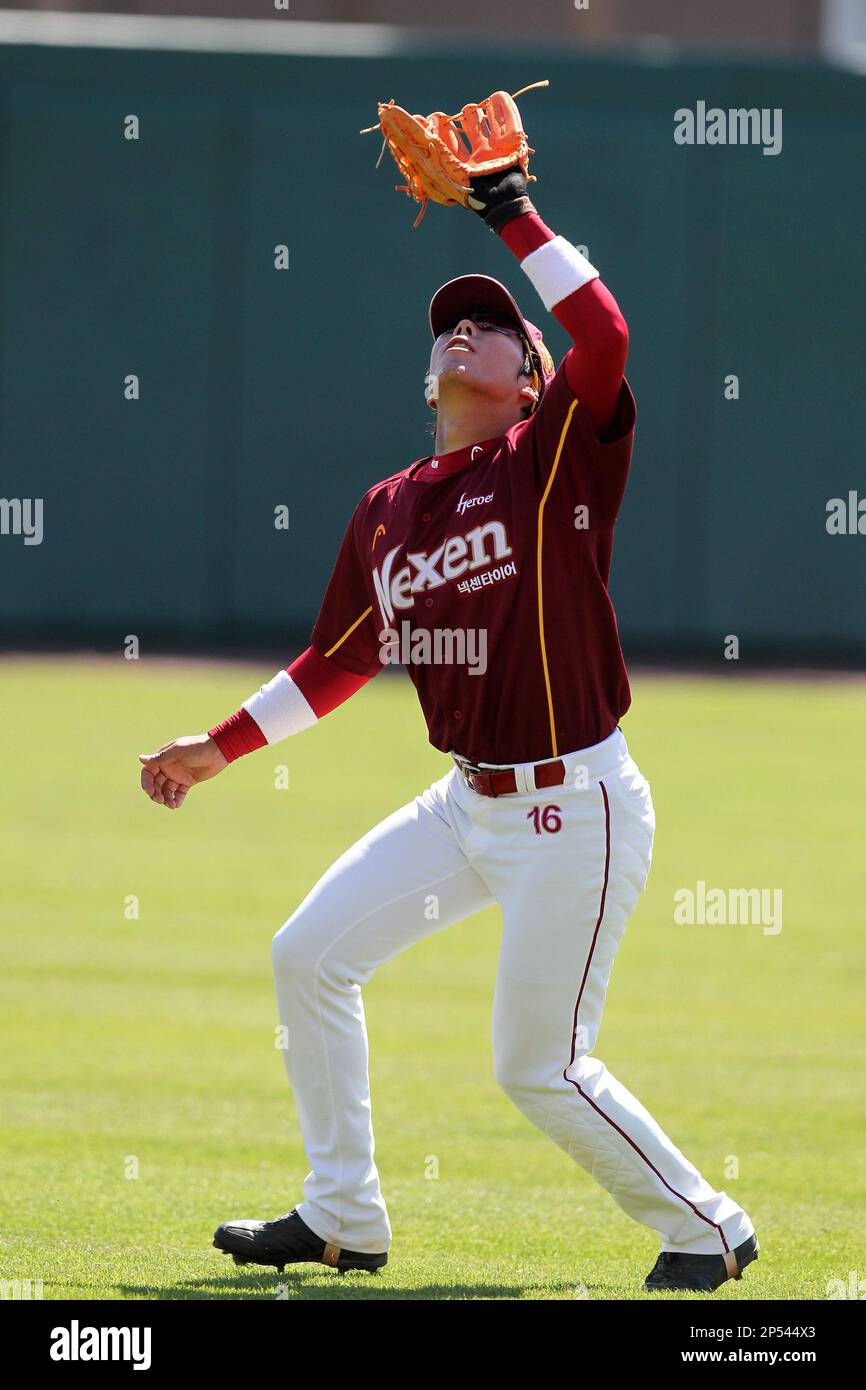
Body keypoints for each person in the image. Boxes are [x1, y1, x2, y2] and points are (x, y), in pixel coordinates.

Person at [139, 161, 757, 1292]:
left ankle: (702, 1228)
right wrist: (214, 748)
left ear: (529, 381)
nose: (463, 334)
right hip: (467, 801)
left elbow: (604, 332)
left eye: (491, 329)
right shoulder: (387, 509)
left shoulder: (550, 455)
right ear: (428, 372)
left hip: (576, 803)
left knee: (535, 1068)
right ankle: (341, 1217)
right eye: (448, 328)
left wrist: (509, 209)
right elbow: (334, 663)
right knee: (307, 956)